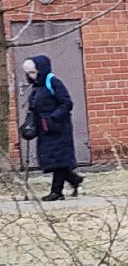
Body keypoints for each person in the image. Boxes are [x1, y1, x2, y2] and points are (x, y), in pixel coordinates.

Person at [24, 55, 83, 201]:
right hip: (45, 129)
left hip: (58, 128)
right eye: (28, 73)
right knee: (52, 160)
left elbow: (66, 103)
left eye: (33, 72)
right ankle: (74, 180)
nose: (31, 76)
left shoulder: (53, 82)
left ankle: (57, 192)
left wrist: (52, 118)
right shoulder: (38, 86)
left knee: (59, 161)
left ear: (40, 70)